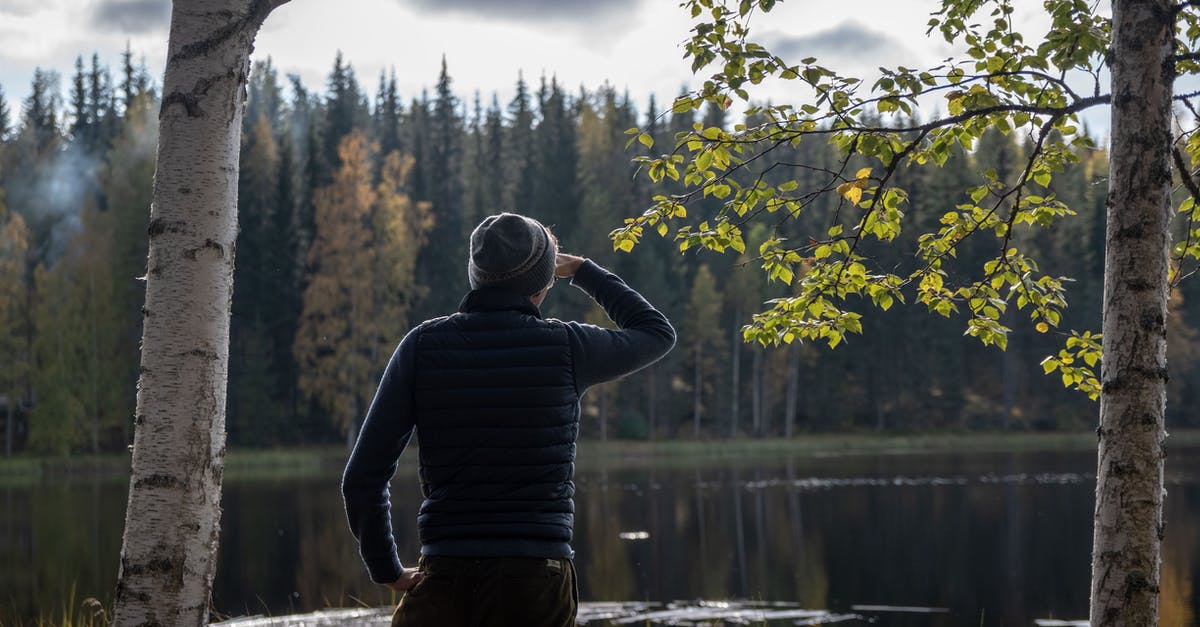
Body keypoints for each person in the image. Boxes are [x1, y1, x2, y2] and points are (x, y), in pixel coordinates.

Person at [341, 212, 676, 627]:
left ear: (475, 275)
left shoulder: (423, 346)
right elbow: (656, 332)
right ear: (544, 280)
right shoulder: (568, 347)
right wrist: (585, 271)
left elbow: (362, 478)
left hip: (445, 572)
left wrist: (387, 571)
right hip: (536, 578)